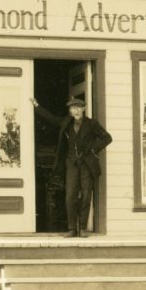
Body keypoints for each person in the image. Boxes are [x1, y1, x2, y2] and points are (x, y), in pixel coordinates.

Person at [31, 95, 112, 237]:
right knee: (70, 196)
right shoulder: (66, 123)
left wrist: (93, 149)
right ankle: (71, 228)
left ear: (84, 109)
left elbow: (107, 138)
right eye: (73, 108)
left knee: (86, 195)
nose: (76, 111)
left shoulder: (91, 124)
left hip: (87, 164)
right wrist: (37, 107)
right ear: (70, 110)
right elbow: (51, 118)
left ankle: (82, 228)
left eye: (79, 108)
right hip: (71, 163)